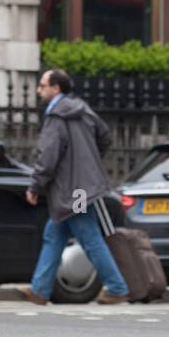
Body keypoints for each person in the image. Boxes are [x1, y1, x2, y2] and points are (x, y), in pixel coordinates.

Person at [25, 69, 132, 305]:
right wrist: (90, 163)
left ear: (56, 88)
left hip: (73, 192)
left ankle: (117, 288)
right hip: (81, 188)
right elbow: (105, 136)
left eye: (42, 86)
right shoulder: (84, 111)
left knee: (89, 236)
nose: (38, 90)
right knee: (54, 235)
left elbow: (47, 156)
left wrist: (35, 186)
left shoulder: (56, 117)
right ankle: (39, 290)